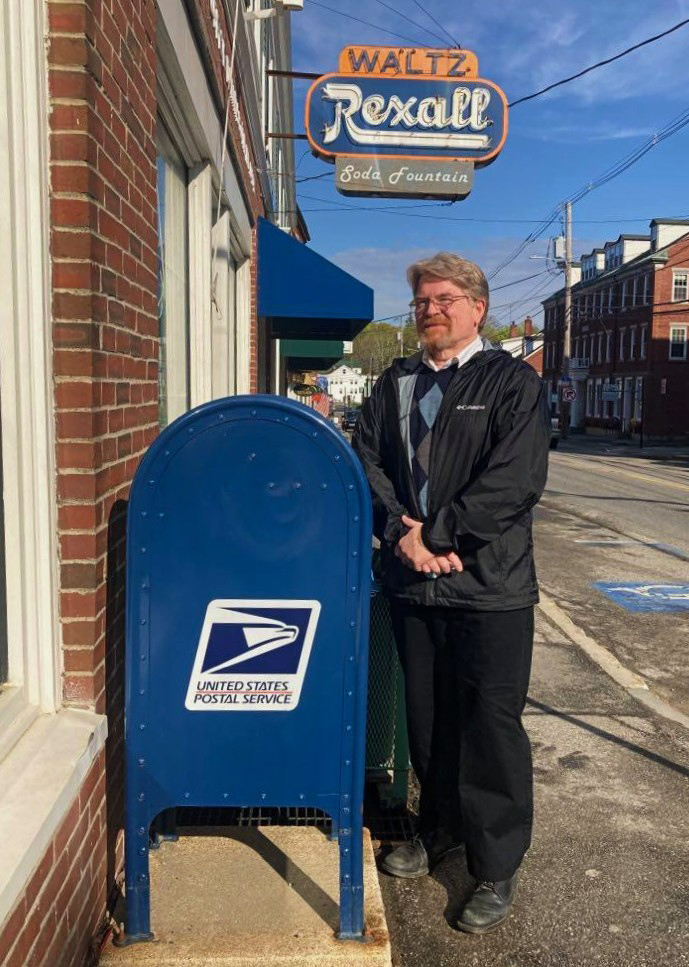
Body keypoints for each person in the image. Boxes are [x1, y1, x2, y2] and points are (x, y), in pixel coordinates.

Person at [352, 253, 551, 934]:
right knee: (428, 722)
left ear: (475, 306)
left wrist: (437, 535)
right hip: (414, 588)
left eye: (441, 299)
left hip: (489, 590)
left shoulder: (509, 383)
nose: (428, 311)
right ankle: (437, 829)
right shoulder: (395, 381)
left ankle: (494, 863)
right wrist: (398, 534)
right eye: (420, 302)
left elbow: (514, 480)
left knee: (490, 730)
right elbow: (366, 459)